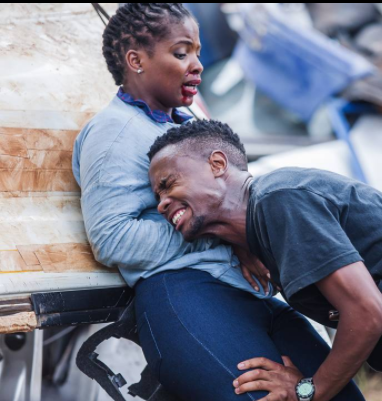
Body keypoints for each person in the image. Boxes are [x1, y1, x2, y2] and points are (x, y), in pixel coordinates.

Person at [72, 4, 364, 401]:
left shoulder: (186, 124)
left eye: (197, 52)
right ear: (136, 61)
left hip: (249, 296)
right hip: (188, 293)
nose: (197, 65)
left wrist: (245, 239)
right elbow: (113, 238)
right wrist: (222, 235)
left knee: (336, 395)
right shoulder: (114, 133)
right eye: (181, 53)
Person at [148, 119, 382, 401]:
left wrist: (308, 390)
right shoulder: (268, 218)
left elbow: (369, 312)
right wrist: (242, 247)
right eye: (156, 197)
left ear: (217, 164)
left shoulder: (282, 198)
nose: (162, 203)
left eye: (168, 184)